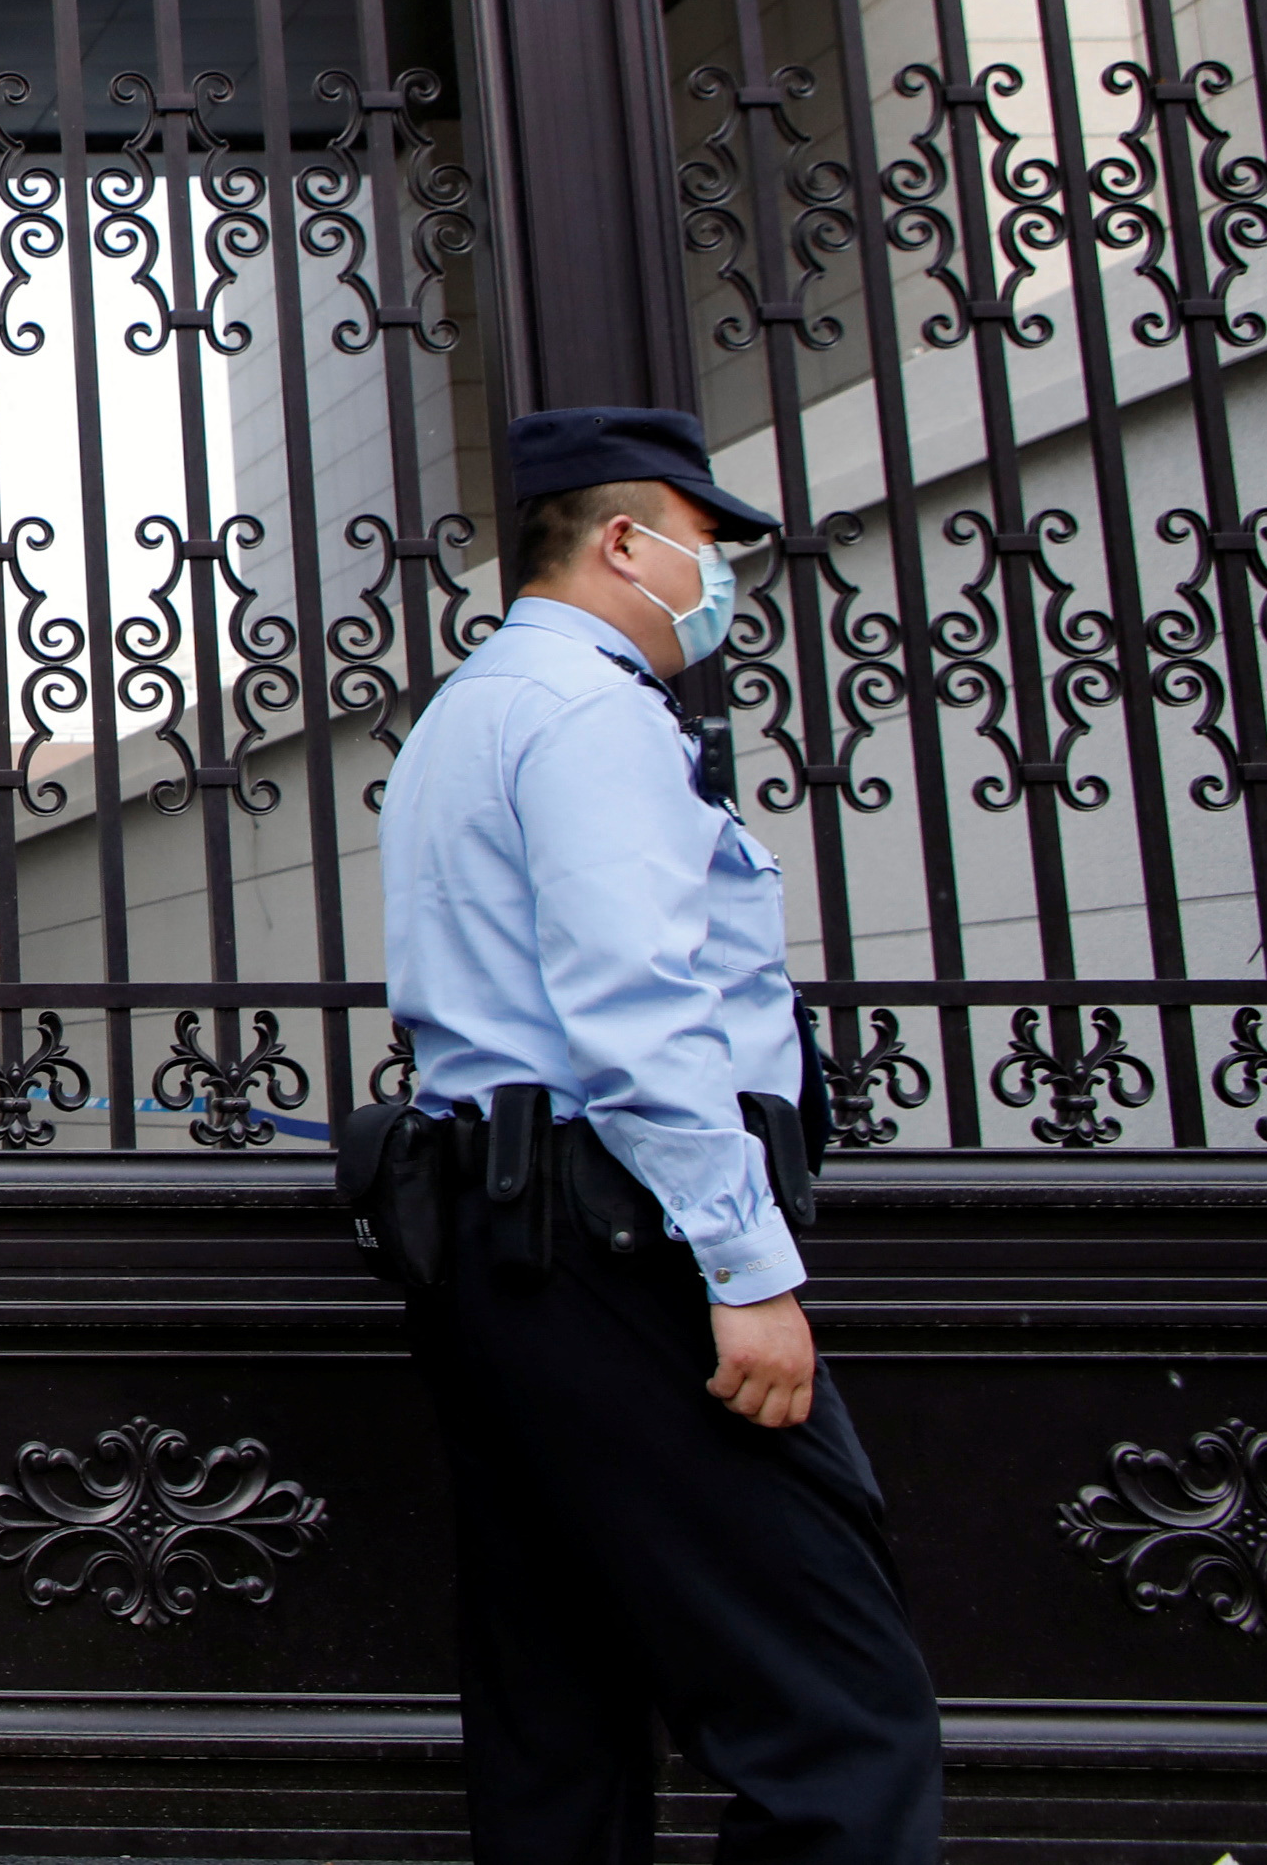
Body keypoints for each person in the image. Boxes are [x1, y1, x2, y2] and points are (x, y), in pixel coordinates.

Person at [374, 405, 943, 1863]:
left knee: (556, 1700)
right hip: (620, 1240)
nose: (717, 575)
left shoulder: (475, 709)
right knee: (838, 1716)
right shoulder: (588, 711)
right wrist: (746, 1268)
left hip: (504, 1239)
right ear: (625, 541)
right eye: (702, 542)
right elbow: (637, 1005)